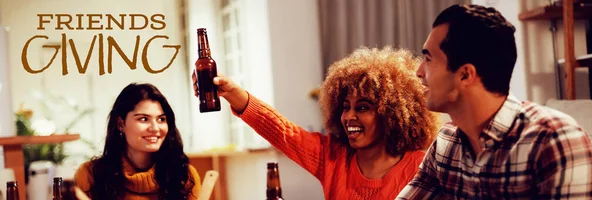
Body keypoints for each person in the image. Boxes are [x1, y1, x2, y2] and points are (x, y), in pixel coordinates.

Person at [396, 4, 592, 199]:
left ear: (465, 75)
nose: (418, 72)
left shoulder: (554, 141)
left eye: (429, 59)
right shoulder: (446, 142)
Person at [194, 47, 439, 200]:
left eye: (362, 108)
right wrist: (231, 92)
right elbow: (282, 132)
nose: (349, 116)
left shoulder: (421, 168)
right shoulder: (332, 157)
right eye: (345, 106)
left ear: (391, 113)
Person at [74, 83, 202, 199]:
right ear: (120, 124)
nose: (155, 128)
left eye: (161, 119)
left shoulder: (184, 176)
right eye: (143, 119)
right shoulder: (90, 175)